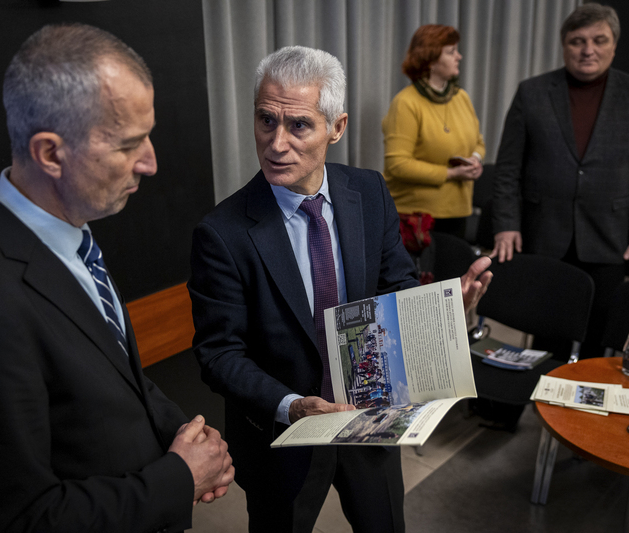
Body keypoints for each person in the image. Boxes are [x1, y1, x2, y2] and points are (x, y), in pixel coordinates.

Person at [0, 23, 233, 532]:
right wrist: (178, 479)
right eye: (129, 144)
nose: (151, 162)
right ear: (51, 153)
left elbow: (109, 380)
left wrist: (189, 435)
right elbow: (18, 520)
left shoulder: (68, 236)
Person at [189, 45, 492, 532]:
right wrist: (292, 406)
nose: (276, 143)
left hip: (371, 419)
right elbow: (219, 353)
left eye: (299, 125)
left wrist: (440, 309)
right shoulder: (222, 232)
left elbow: (396, 286)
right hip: (282, 436)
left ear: (338, 126)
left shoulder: (368, 192)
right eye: (266, 121)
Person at [490, 4, 629, 358]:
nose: (588, 50)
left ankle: (586, 409)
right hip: (545, 232)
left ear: (614, 45)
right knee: (546, 331)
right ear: (564, 45)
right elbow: (508, 167)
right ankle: (541, 403)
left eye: (600, 40)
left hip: (609, 235)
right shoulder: (532, 92)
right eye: (578, 41)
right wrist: (506, 224)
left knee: (599, 334)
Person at [382, 24, 485, 240]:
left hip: (458, 212)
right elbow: (398, 164)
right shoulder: (406, 103)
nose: (459, 56)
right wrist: (452, 174)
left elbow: (479, 142)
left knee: (453, 273)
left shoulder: (461, 97)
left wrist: (474, 160)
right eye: (451, 52)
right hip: (416, 217)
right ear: (430, 60)